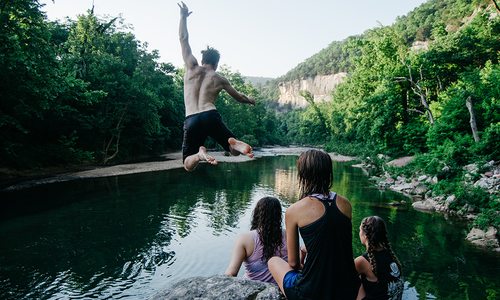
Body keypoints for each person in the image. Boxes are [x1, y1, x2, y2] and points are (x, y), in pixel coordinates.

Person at [268, 149, 360, 299]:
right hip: (347, 288)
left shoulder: (294, 210)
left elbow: (293, 263)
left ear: (303, 175)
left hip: (312, 292)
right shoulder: (346, 204)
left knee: (273, 261)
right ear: (328, 172)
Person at [178, 2, 255, 172]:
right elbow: (239, 97)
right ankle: (235, 144)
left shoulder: (191, 67)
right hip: (210, 115)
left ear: (203, 58)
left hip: (191, 118)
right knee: (232, 151)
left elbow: (183, 39)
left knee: (187, 164)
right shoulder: (219, 78)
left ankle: (199, 155)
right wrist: (250, 100)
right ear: (216, 63)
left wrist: (183, 17)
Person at [225, 197, 288, 284]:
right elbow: (296, 264)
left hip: (253, 288)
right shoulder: (288, 235)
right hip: (280, 287)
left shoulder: (245, 238)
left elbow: (232, 273)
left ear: (257, 214)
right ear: (279, 215)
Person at [355, 216, 404, 300]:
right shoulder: (391, 255)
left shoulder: (362, 261)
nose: (359, 232)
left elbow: (341, 276)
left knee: (353, 280)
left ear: (366, 235)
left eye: (360, 230)